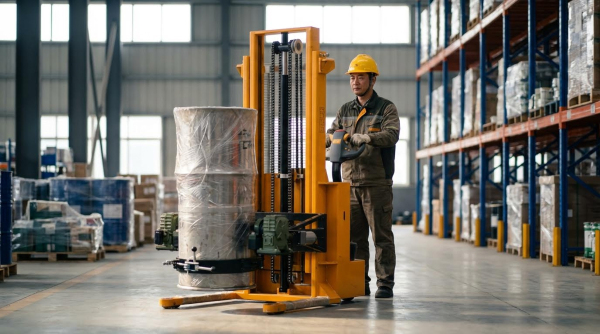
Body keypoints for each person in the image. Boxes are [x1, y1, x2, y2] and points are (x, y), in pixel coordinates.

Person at [326, 54, 399, 299]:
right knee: (354, 238)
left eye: (361, 77)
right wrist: (326, 141)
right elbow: (331, 133)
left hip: (376, 183)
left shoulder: (385, 108)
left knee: (381, 236)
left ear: (373, 79)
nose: (355, 82)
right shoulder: (345, 110)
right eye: (352, 77)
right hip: (348, 183)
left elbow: (391, 135)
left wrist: (367, 138)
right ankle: (359, 281)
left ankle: (385, 284)